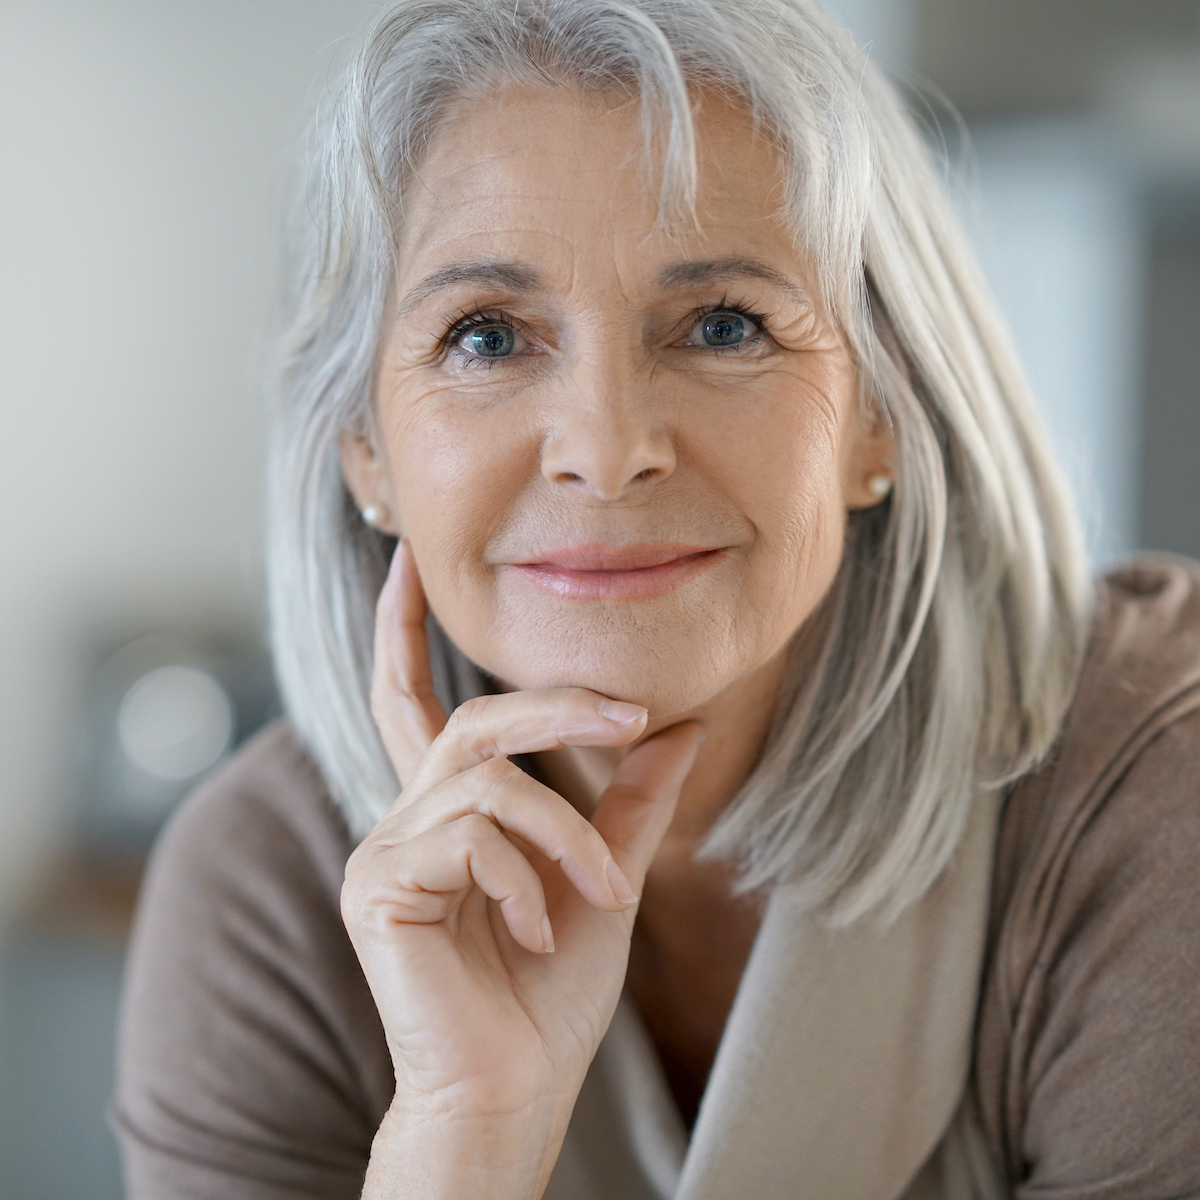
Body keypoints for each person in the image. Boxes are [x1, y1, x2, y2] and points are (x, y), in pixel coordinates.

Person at [113, 0, 1200, 1196]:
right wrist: (465, 1131)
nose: (607, 445)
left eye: (722, 325)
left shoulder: (1156, 794)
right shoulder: (267, 885)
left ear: (882, 413)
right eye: (486, 337)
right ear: (365, 447)